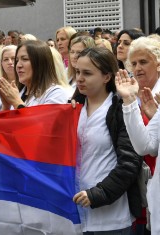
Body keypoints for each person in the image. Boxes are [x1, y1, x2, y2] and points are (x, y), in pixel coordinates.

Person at [72, 47, 142, 234]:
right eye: (77, 71)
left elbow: (130, 162)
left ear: (106, 77)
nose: (79, 78)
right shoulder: (72, 108)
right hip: (75, 214)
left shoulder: (121, 109)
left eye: (87, 73)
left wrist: (99, 193)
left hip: (112, 217)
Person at [118, 36, 160, 235]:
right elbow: (145, 146)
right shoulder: (136, 92)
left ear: (158, 63)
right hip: (147, 190)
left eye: (144, 62)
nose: (138, 67)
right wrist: (129, 102)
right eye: (133, 63)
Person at [0, 40, 69, 110]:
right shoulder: (19, 92)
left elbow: (42, 121)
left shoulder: (56, 93)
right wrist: (6, 107)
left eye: (25, 59)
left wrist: (17, 103)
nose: (18, 65)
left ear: (40, 63)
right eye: (17, 60)